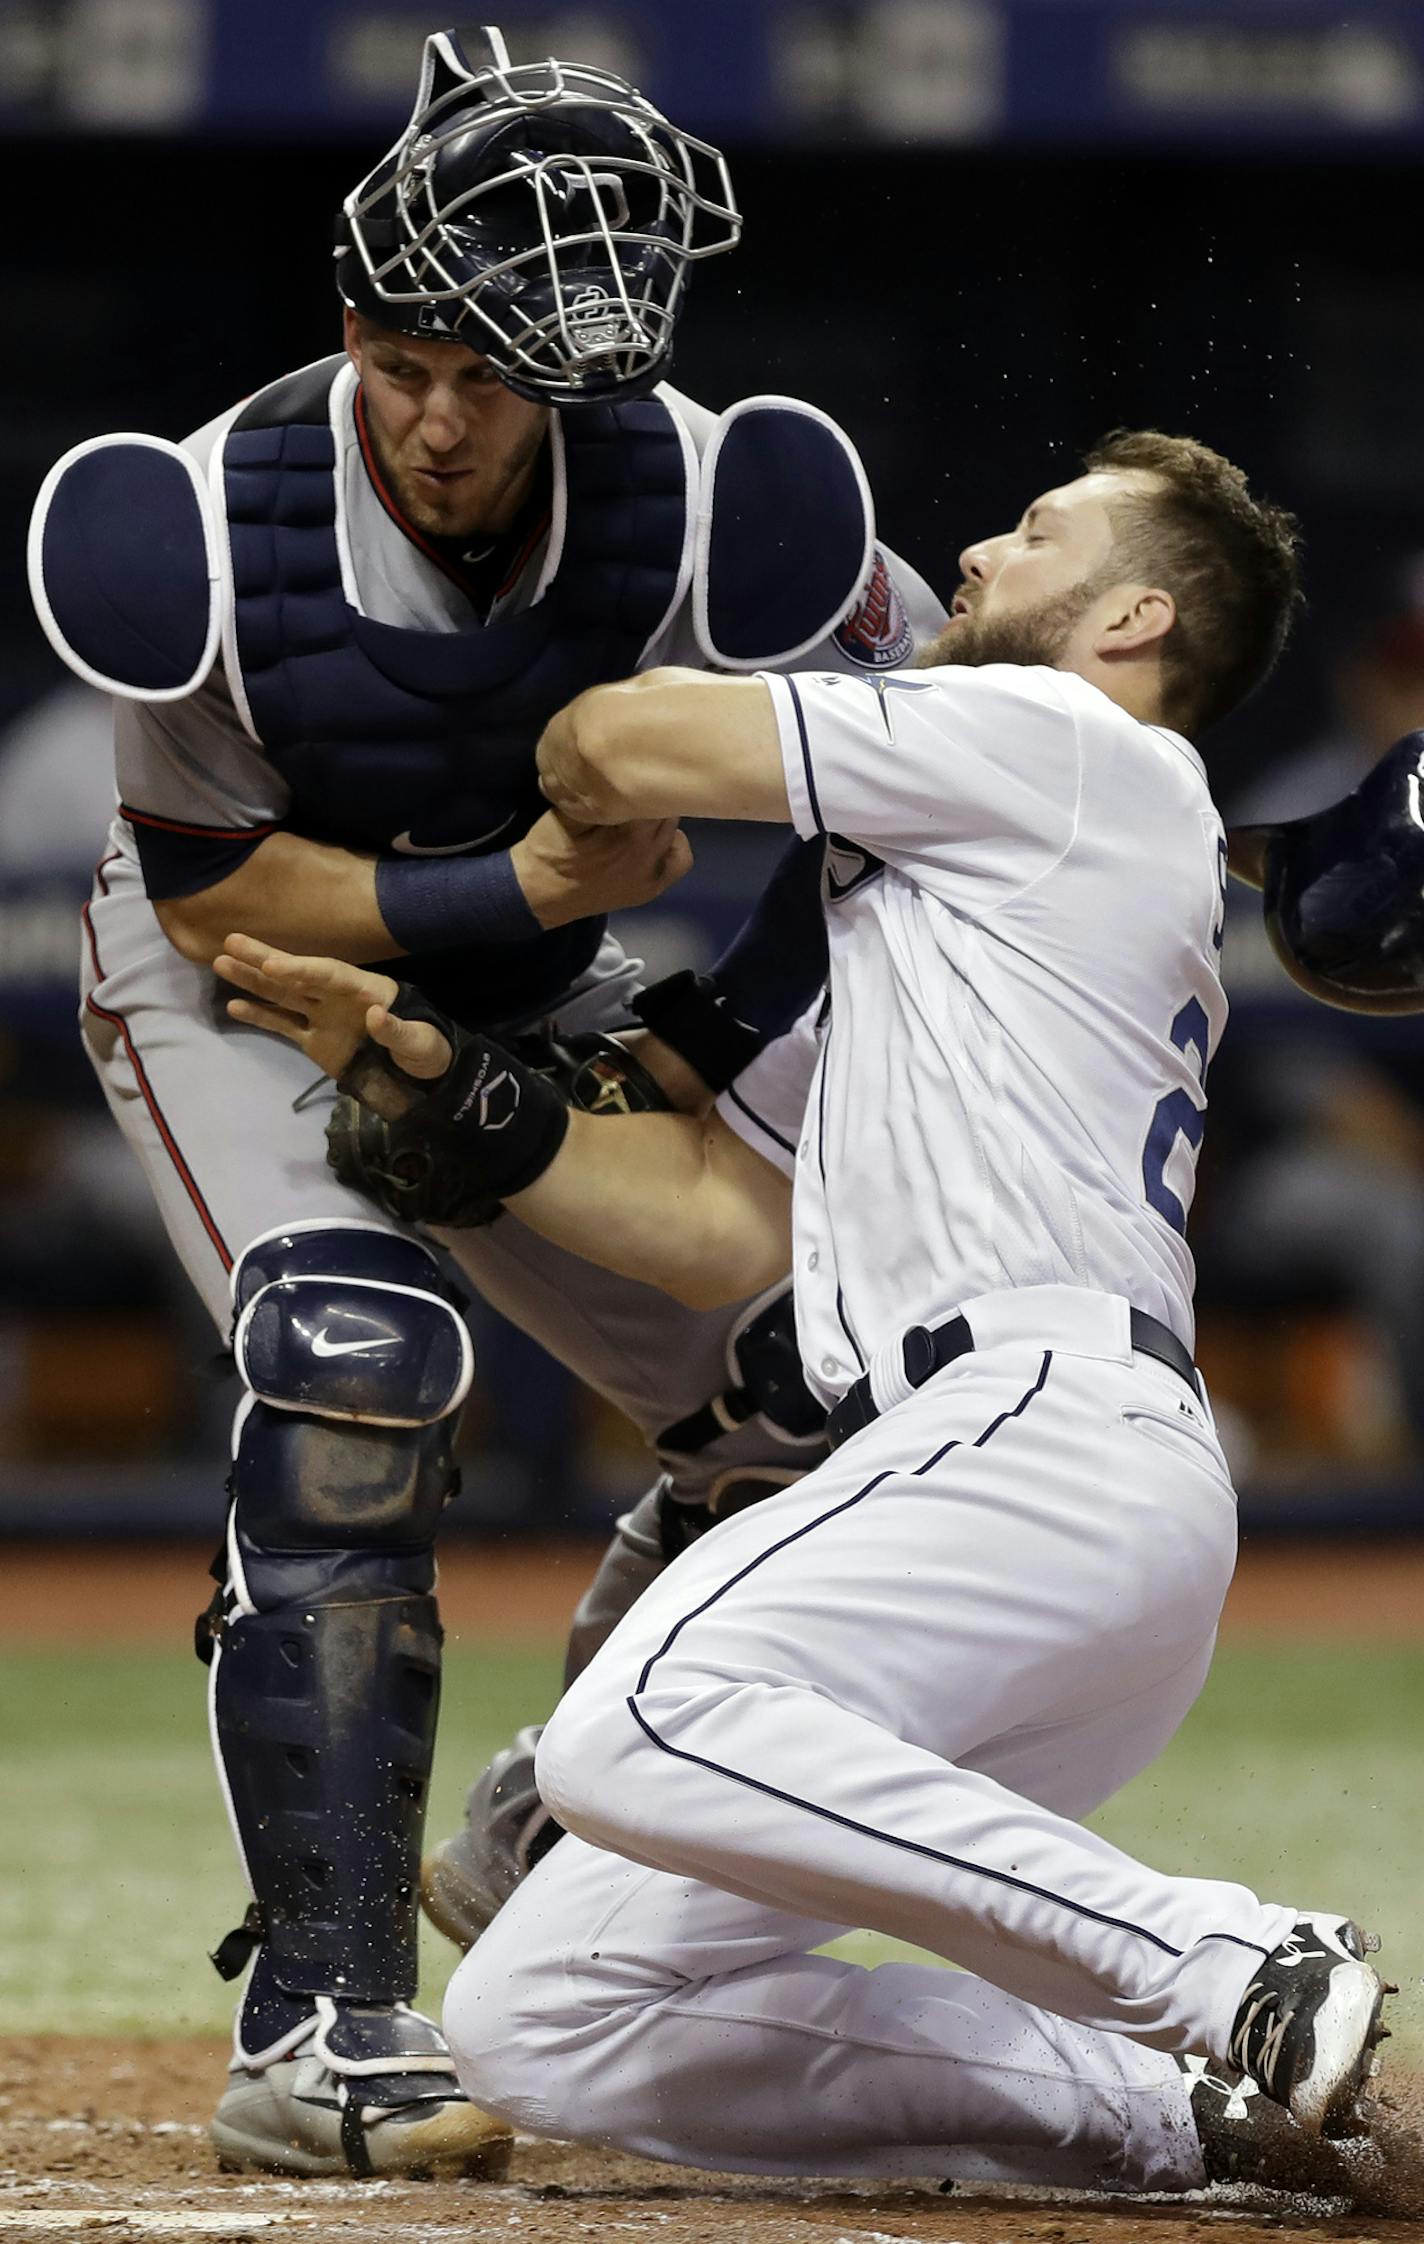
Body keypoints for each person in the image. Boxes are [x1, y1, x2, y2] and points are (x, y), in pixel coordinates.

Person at [214, 428, 1396, 2198]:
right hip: (1010, 1514)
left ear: (1134, 614)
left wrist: (537, 808)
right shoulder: (962, 878)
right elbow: (702, 1221)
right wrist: (459, 1086)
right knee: (553, 2007)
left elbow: (613, 741)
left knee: (626, 1725)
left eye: (1035, 528)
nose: (980, 554)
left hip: (1031, 1445)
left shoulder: (1063, 740)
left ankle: (1228, 1966)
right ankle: (1184, 2118)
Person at [28, 25, 942, 2181]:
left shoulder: (715, 482)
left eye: (494, 376)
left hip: (528, 985)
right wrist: (518, 878)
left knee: (825, 1391)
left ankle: (564, 1802)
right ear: (349, 317)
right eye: (402, 359)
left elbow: (924, 744)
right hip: (236, 986)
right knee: (357, 1361)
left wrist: (712, 1027)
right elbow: (214, 887)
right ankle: (322, 2017)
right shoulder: (202, 518)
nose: (438, 422)